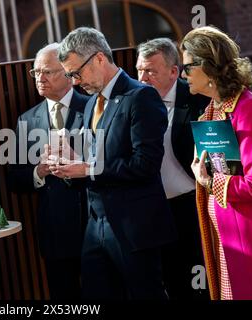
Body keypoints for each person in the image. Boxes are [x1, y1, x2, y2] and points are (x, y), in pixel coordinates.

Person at [53, 27, 176, 299]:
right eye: (70, 75)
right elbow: (92, 160)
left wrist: (88, 168)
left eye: (76, 73)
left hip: (134, 227)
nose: (74, 82)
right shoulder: (88, 105)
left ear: (99, 58)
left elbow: (144, 165)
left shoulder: (142, 97)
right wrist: (68, 164)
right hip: (95, 225)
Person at [181, 26, 252, 300]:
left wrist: (210, 181)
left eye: (187, 67)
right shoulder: (212, 110)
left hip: (250, 239)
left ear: (208, 66)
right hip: (225, 236)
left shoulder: (250, 108)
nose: (184, 74)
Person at [8, 43, 89, 299]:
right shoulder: (27, 119)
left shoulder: (93, 107)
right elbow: (15, 178)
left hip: (95, 226)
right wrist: (39, 172)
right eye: (35, 73)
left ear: (68, 74)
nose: (39, 79)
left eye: (47, 72)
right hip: (55, 231)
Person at [136, 38, 209, 299]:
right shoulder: (135, 101)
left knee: (199, 282)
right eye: (139, 70)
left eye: (151, 71)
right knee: (170, 282)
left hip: (193, 206)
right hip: (154, 209)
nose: (142, 78)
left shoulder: (198, 98)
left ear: (174, 71)